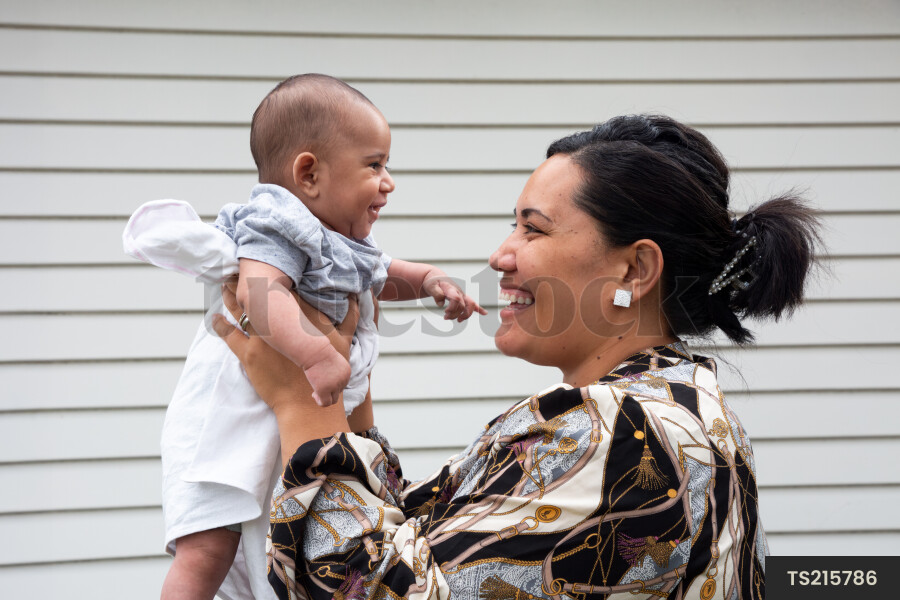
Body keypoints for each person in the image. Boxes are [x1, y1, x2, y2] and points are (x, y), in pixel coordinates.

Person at [214, 115, 820, 599]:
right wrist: (353, 393)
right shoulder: (657, 407)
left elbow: (377, 588)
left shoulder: (629, 436)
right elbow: (415, 539)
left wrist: (303, 403)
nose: (501, 255)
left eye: (533, 229)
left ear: (634, 269)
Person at [123, 74, 484, 600]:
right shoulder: (277, 222)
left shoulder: (340, 237)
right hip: (219, 426)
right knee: (207, 552)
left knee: (272, 550)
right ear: (309, 173)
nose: (389, 181)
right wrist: (316, 354)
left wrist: (430, 279)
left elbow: (382, 273)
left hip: (273, 421)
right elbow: (259, 295)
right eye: (375, 165)